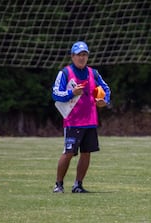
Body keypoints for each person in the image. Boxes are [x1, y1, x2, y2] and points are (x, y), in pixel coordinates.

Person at [52, 41, 111, 193]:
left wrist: (104, 101)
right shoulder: (65, 73)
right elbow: (55, 93)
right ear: (72, 56)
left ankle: (78, 185)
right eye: (79, 55)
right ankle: (58, 184)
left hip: (90, 121)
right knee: (69, 152)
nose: (82, 58)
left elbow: (105, 88)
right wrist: (72, 93)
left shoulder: (93, 73)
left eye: (84, 55)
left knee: (86, 153)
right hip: (73, 122)